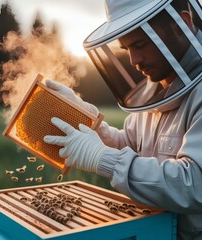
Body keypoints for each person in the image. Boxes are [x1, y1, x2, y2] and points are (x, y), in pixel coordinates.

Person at [43, 0, 202, 239]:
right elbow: (130, 144)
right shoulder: (153, 89)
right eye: (127, 49)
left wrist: (103, 159)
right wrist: (89, 123)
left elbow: (194, 185)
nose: (134, 60)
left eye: (140, 44)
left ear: (182, 23)